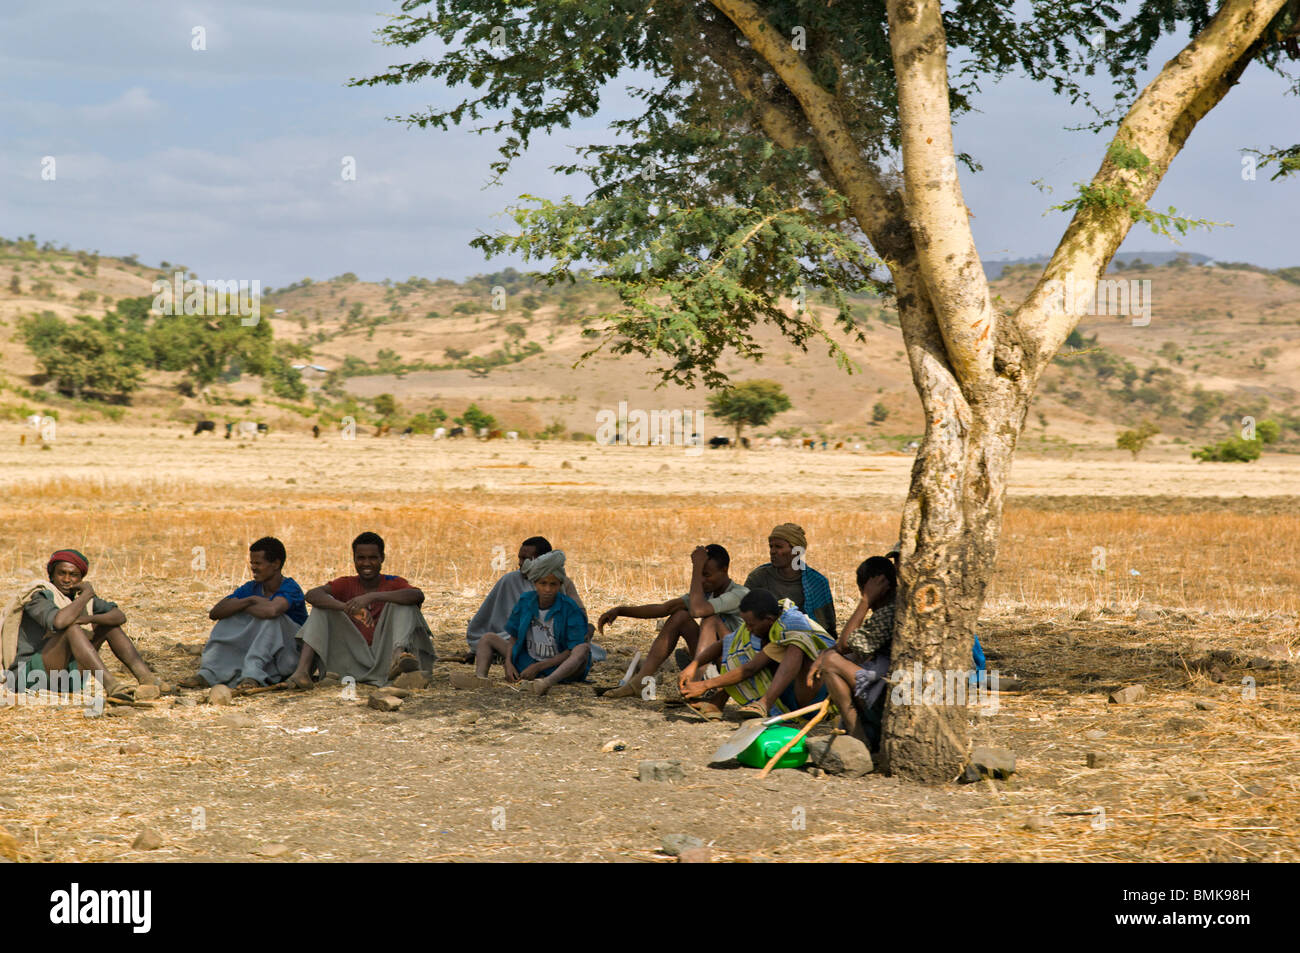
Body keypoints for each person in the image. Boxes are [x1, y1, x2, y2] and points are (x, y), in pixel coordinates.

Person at [2, 549, 164, 699]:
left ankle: (148, 680)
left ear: (81, 579)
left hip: (65, 676)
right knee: (71, 628)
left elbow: (119, 616)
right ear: (51, 575)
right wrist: (86, 595)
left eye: (73, 575)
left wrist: (89, 619)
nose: (66, 580)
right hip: (28, 676)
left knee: (108, 625)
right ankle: (113, 687)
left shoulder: (79, 600)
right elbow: (60, 622)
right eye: (61, 573)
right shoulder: (40, 596)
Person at [285, 532, 436, 689]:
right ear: (354, 559)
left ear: (382, 558)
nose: (367, 563)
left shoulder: (394, 582)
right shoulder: (346, 583)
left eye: (373, 558)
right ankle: (302, 672)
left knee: (403, 604)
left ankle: (399, 658)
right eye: (361, 558)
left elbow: (417, 595)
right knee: (321, 608)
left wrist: (372, 596)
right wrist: (346, 608)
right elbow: (312, 595)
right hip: (353, 660)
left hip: (386, 655)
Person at [599, 544, 747, 700]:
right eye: (700, 575)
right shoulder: (707, 593)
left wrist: (696, 568)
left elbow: (698, 611)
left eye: (707, 575)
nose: (702, 581)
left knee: (710, 620)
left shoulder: (739, 594)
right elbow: (665, 608)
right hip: (711, 658)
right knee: (680, 616)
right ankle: (639, 682)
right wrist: (621, 610)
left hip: (735, 664)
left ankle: (694, 684)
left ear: (724, 570)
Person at [680, 589, 833, 719]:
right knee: (743, 647)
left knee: (797, 646)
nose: (747, 628)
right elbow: (726, 642)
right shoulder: (768, 625)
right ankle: (717, 703)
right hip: (787, 694)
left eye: (751, 624)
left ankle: (764, 704)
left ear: (769, 619)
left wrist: (705, 685)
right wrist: (694, 665)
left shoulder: (793, 625)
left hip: (814, 698)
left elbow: (750, 669)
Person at [181, 537, 304, 692]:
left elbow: (271, 611)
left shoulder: (290, 587)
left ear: (276, 564)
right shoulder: (251, 589)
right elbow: (216, 612)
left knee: (272, 620)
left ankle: (253, 675)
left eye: (258, 563)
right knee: (230, 617)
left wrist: (243, 605)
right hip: (266, 653)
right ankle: (210, 673)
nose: (253, 568)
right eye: (252, 563)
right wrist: (249, 601)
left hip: (288, 656)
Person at [807, 554, 898, 750]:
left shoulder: (888, 613)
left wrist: (865, 601)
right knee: (837, 658)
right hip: (889, 691)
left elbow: (845, 644)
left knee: (831, 661)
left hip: (889, 697)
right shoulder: (895, 608)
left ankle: (858, 736)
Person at [471, 551, 590, 696]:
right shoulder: (525, 601)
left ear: (560, 585)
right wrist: (508, 663)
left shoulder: (570, 608)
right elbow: (513, 637)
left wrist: (538, 667)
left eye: (553, 584)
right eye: (543, 583)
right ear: (535, 583)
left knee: (583, 649)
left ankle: (545, 683)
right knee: (487, 638)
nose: (547, 589)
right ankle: (480, 678)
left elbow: (570, 650)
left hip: (559, 667)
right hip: (528, 661)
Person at [464, 535, 593, 662]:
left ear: (542, 560)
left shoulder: (561, 582)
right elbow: (493, 620)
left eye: (525, 559)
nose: (520, 563)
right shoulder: (510, 581)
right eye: (519, 558)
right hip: (515, 640)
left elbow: (579, 614)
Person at [743, 523, 836, 636]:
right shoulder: (758, 577)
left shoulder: (816, 583)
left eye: (778, 547)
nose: (772, 551)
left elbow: (827, 628)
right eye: (771, 546)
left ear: (797, 551)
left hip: (804, 640)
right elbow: (744, 616)